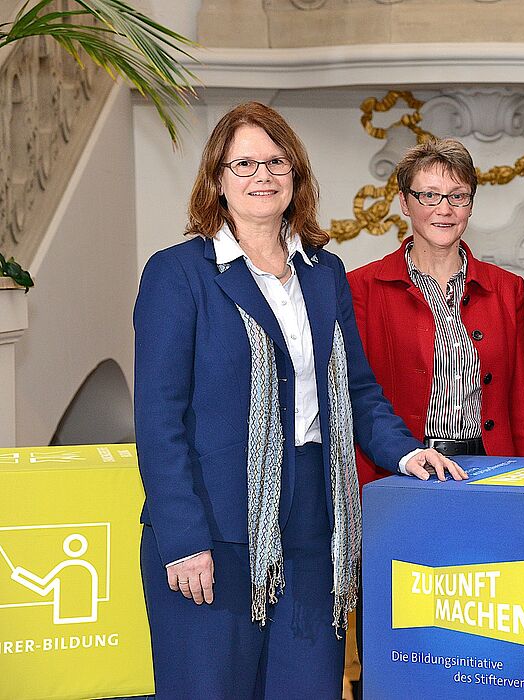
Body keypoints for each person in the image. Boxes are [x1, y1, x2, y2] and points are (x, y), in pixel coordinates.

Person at [133, 101, 465, 699]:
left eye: (276, 161)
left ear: (296, 174)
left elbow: (358, 391)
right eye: (244, 164)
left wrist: (408, 454)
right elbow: (159, 424)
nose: (263, 175)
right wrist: (183, 541)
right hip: (215, 534)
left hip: (315, 530)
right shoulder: (177, 274)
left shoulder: (324, 271)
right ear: (216, 180)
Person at [347, 137, 524, 479]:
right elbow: (356, 398)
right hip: (400, 473)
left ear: (470, 205)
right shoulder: (361, 287)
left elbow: (523, 404)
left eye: (458, 196)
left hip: (492, 470)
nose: (444, 209)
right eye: (429, 195)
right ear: (405, 203)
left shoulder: (506, 288)